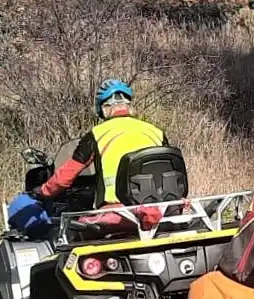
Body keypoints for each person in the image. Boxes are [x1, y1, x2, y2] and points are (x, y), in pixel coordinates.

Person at [35, 79, 168, 206]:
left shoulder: (97, 134)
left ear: (103, 109)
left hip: (117, 209)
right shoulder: (156, 132)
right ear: (129, 105)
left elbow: (66, 175)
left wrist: (44, 192)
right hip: (162, 207)